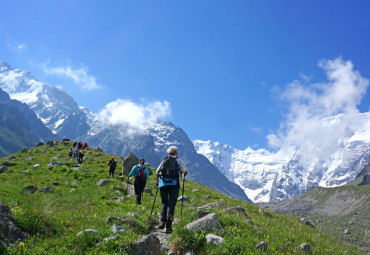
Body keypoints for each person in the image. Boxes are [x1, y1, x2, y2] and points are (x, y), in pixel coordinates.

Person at [156, 146, 187, 233]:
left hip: (163, 185)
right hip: (174, 185)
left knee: (164, 202)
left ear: (168, 153)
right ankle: (169, 226)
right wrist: (184, 173)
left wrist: (157, 181)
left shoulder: (164, 160)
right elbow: (184, 171)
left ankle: (162, 221)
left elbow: (157, 171)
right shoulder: (178, 160)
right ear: (176, 153)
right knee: (171, 204)